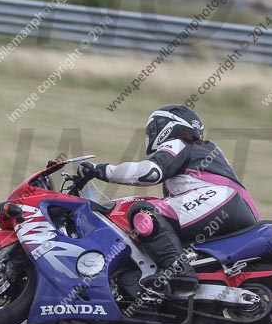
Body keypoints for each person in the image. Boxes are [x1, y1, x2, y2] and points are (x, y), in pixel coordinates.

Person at [77, 104, 260, 300]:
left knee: (143, 213)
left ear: (168, 127)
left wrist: (100, 170)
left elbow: (149, 172)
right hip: (237, 206)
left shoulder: (180, 144)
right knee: (161, 220)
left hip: (221, 200)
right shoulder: (201, 153)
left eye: (153, 130)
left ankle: (179, 272)